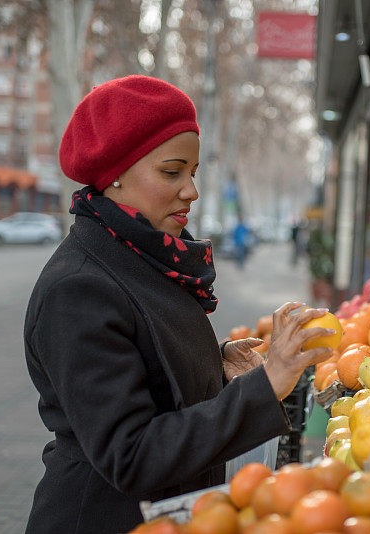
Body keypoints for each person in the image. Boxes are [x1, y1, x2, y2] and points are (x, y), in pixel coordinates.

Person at [23, 76, 334, 533]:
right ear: (116, 175)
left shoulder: (144, 254)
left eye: (193, 172)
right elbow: (130, 455)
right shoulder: (77, 289)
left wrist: (216, 363)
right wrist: (266, 385)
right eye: (172, 172)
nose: (191, 190)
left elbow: (149, 367)